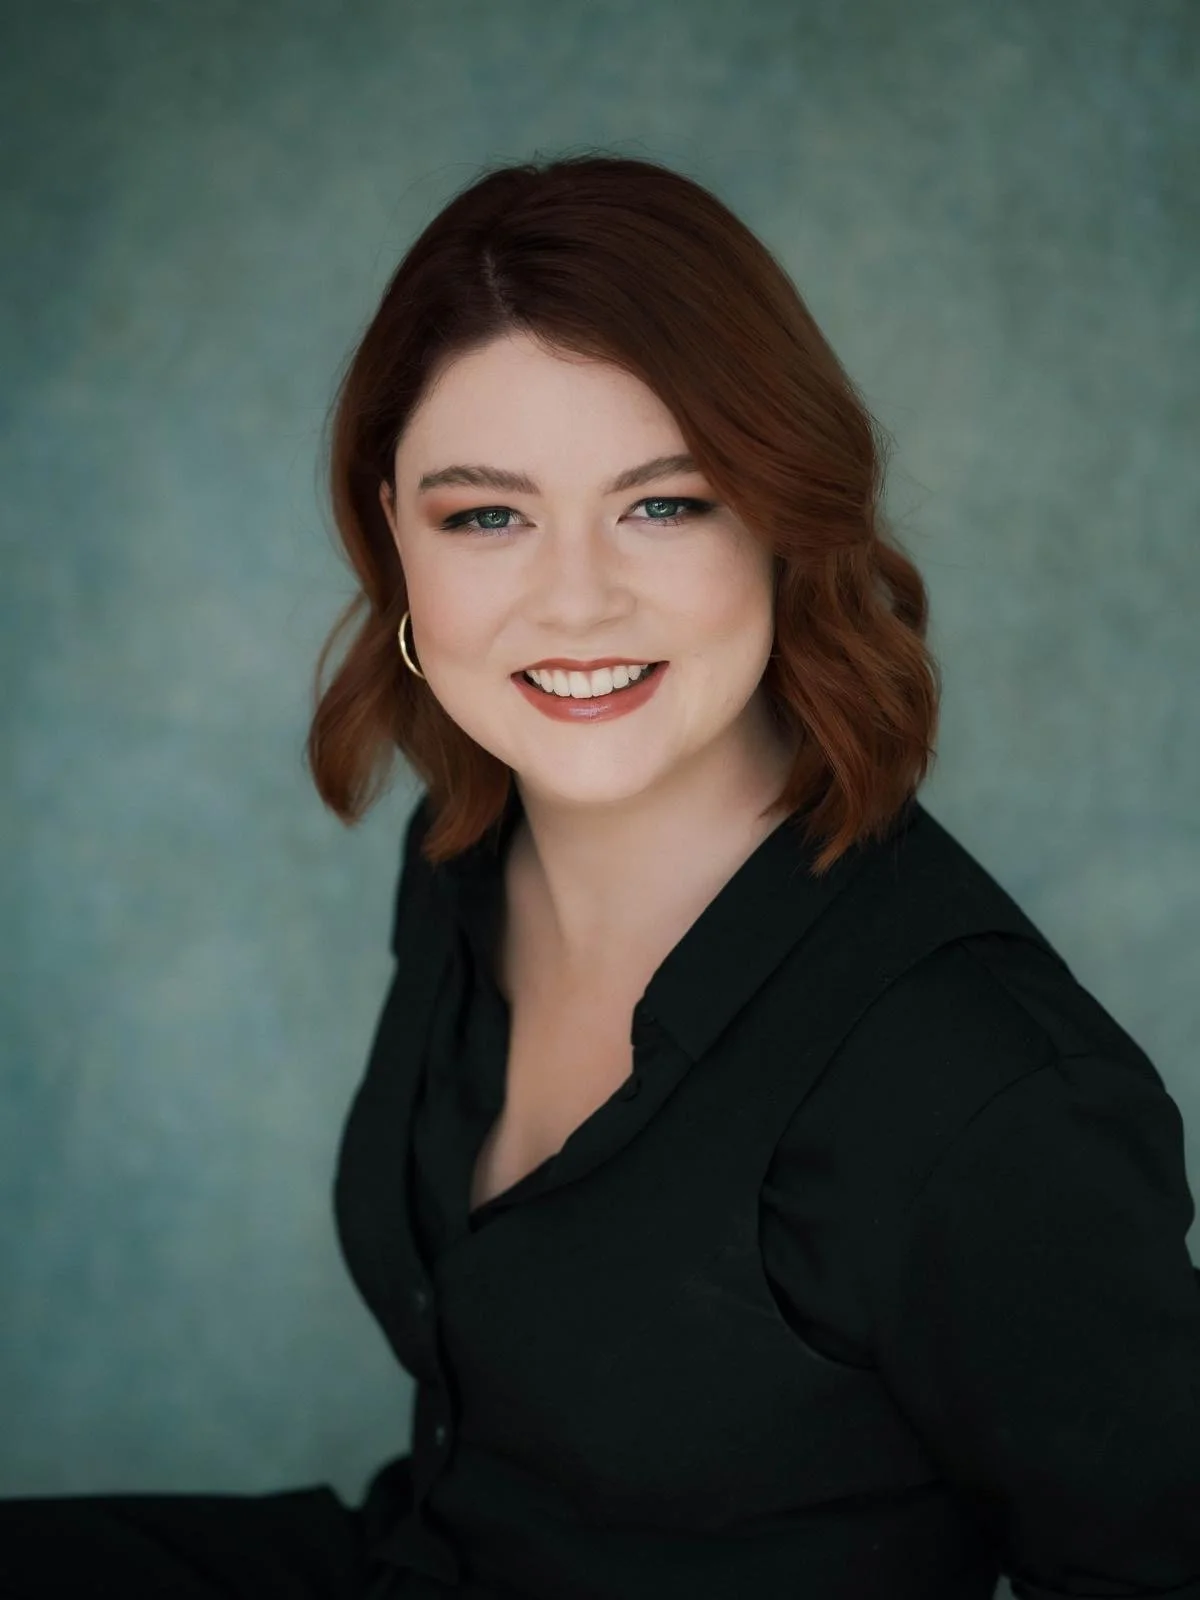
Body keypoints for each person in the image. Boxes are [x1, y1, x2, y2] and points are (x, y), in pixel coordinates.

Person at [3, 152, 1198, 1599]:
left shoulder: (980, 1084)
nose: (574, 601)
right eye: (486, 516)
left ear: (784, 519)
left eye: (664, 504)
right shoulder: (462, 860)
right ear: (395, 534)